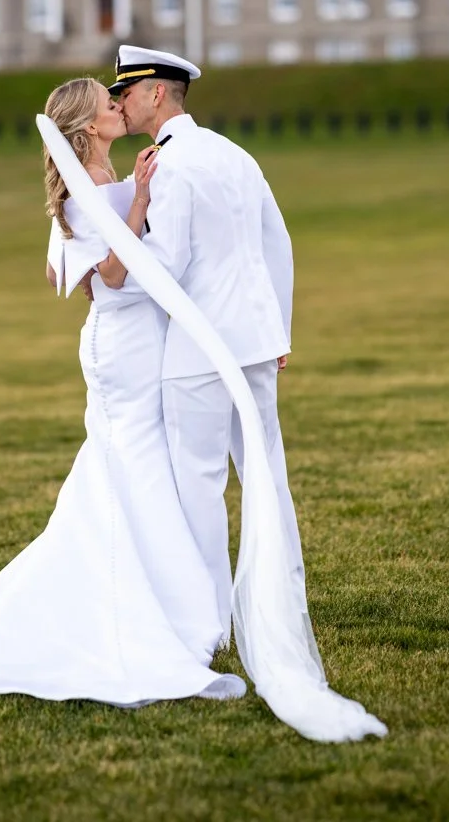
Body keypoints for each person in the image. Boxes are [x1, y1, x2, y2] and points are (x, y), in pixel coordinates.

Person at [0, 77, 245, 706]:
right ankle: (156, 613)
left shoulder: (93, 180)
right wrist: (139, 204)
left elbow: (55, 269)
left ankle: (154, 600)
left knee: (119, 470)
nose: (118, 103)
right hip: (122, 346)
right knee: (136, 467)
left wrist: (118, 215)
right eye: (107, 101)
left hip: (127, 340)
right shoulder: (97, 185)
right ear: (90, 126)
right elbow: (116, 275)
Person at [109, 46, 304, 644]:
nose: (119, 101)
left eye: (127, 91)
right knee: (267, 476)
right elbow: (279, 243)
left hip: (197, 349)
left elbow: (167, 262)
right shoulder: (234, 153)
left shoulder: (168, 164)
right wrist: (279, 331)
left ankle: (211, 623)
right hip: (253, 342)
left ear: (157, 93)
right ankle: (286, 611)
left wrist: (111, 272)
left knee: (197, 484)